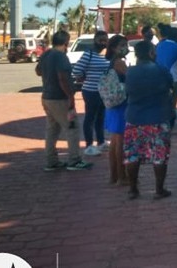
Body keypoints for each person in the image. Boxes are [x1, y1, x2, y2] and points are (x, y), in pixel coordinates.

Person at [123, 41, 173, 200]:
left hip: (134, 118)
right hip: (158, 117)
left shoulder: (130, 72)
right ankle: (159, 189)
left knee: (132, 155)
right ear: (151, 52)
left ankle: (133, 189)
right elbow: (172, 85)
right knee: (159, 155)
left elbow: (127, 91)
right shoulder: (160, 70)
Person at [36, 31, 92, 172]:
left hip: (47, 97)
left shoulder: (46, 54)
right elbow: (62, 78)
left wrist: (49, 75)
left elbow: (38, 71)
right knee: (72, 127)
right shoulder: (60, 56)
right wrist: (70, 96)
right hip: (60, 98)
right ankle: (74, 160)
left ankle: (51, 161)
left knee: (52, 130)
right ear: (66, 42)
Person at [72, 30, 110, 156]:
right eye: (100, 39)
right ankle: (89, 145)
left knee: (101, 117)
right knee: (90, 118)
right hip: (91, 91)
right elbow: (77, 70)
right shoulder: (89, 54)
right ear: (95, 40)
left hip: (104, 92)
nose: (103, 42)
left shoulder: (108, 55)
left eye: (105, 39)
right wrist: (84, 78)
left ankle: (101, 141)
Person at [104, 35, 129, 185]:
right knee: (120, 142)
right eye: (122, 45)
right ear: (114, 48)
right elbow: (130, 77)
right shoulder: (119, 62)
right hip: (121, 103)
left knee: (114, 141)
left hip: (112, 104)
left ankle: (114, 175)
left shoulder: (110, 62)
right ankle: (122, 175)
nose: (125, 47)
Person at [155, 24, 177, 128]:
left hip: (158, 77)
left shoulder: (159, 45)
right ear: (176, 37)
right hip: (173, 78)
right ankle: (170, 125)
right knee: (172, 104)